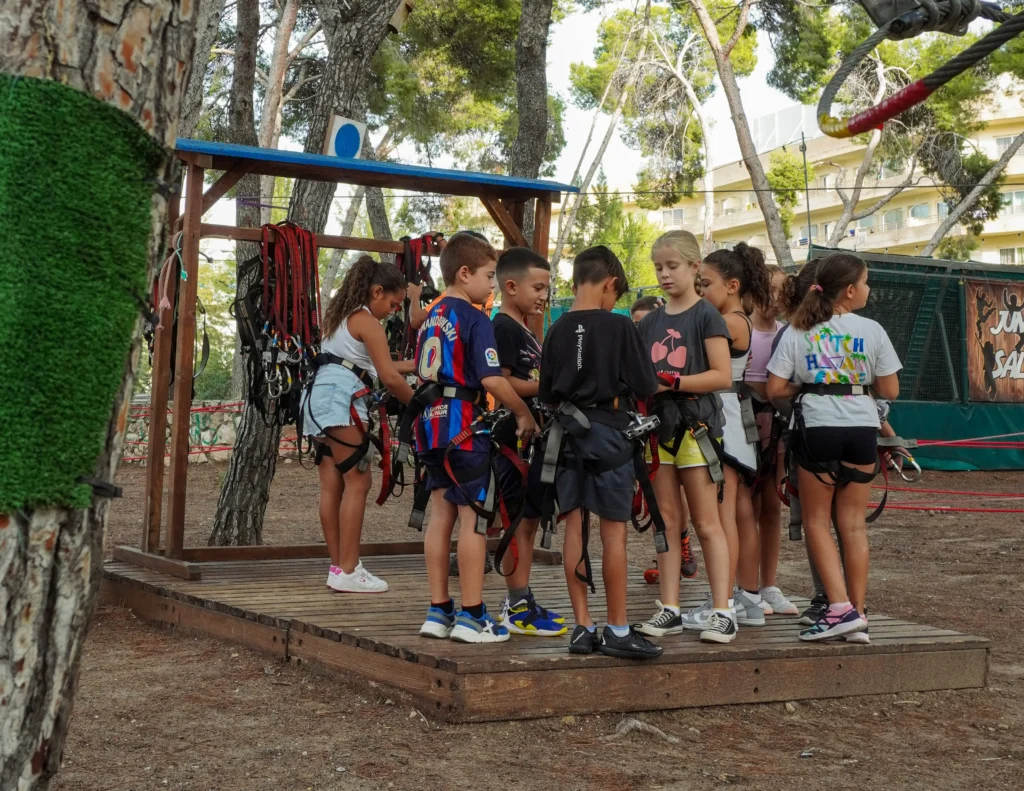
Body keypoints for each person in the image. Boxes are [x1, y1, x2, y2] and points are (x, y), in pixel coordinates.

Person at [767, 253, 901, 642]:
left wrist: (809, 386)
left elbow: (775, 389)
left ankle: (838, 608)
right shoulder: (873, 330)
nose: (869, 288)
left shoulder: (797, 330)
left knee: (816, 521)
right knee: (854, 524)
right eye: (866, 282)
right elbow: (890, 389)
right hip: (862, 426)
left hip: (816, 426)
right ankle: (857, 613)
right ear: (849, 290)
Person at [538, 245, 662, 659]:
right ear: (610, 283)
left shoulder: (554, 328)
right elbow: (645, 385)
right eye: (616, 294)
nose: (615, 301)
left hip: (567, 437)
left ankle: (582, 626)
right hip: (610, 436)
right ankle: (618, 628)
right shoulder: (620, 327)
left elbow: (546, 392)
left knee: (574, 527)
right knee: (613, 533)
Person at [414, 233, 538, 644]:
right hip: (463, 428)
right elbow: (490, 378)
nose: (491, 286)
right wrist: (521, 412)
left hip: (429, 426)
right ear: (464, 274)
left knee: (440, 516)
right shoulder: (474, 317)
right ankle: (471, 615)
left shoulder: (430, 317)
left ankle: (438, 610)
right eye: (488, 276)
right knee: (474, 519)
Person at [634, 231, 737, 644]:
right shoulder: (651, 321)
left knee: (707, 522)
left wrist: (671, 382)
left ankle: (722, 610)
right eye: (658, 267)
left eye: (672, 266)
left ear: (695, 267)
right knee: (668, 521)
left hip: (697, 428)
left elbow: (721, 376)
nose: (664, 274)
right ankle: (670, 608)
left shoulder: (706, 315)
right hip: (659, 431)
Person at [301, 256, 416, 593]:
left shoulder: (341, 318)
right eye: (393, 304)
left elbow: (383, 364)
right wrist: (420, 405)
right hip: (342, 400)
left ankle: (339, 566)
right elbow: (390, 378)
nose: (394, 311)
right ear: (377, 292)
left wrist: (418, 366)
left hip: (318, 400)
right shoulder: (368, 322)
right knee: (359, 482)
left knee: (332, 485)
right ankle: (350, 569)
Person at [489, 247, 566, 636]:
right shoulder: (502, 327)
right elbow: (501, 380)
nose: (543, 296)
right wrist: (551, 385)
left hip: (531, 437)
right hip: (512, 437)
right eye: (537, 287)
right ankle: (515, 603)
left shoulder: (522, 327)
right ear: (511, 285)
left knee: (530, 518)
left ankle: (520, 596)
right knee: (518, 518)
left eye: (546, 288)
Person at [699, 244, 773, 627]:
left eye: (704, 283)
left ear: (731, 285)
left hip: (724, 418)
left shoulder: (727, 321)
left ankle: (724, 601)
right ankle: (743, 596)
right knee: (739, 511)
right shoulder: (733, 317)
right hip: (731, 418)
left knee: (724, 512)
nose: (699, 291)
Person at [745, 264, 798, 617]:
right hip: (743, 422)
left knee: (772, 505)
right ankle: (743, 586)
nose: (777, 297)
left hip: (776, 425)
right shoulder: (740, 328)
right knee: (742, 507)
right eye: (771, 289)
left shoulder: (785, 332)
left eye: (783, 290)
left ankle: (770, 584)